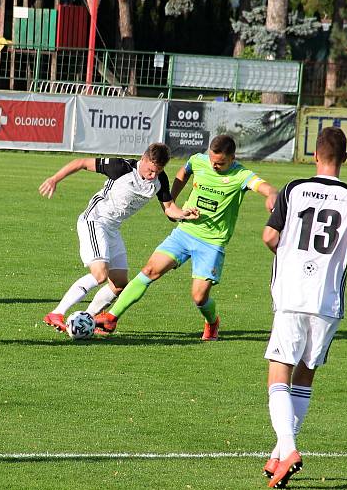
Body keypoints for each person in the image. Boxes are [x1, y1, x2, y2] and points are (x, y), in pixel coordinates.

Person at [260, 127, 347, 488]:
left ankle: (289, 447)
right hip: (328, 300)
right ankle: (280, 452)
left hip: (293, 294)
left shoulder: (294, 188)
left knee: (279, 373)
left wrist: (289, 254)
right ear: (345, 158)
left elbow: (269, 236)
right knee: (306, 374)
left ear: (314, 155)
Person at [94, 135, 277, 339]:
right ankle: (111, 318)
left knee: (199, 297)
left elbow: (267, 188)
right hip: (185, 232)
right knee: (149, 270)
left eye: (220, 163)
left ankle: (212, 321)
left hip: (212, 243)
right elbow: (185, 171)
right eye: (212, 160)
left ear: (232, 158)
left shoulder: (242, 175)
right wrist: (172, 200)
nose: (214, 165)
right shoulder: (198, 160)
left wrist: (271, 196)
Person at [39, 143, 199, 331]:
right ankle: (56, 313)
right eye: (150, 170)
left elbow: (169, 208)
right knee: (100, 274)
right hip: (94, 221)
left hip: (113, 229)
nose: (153, 175)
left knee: (119, 284)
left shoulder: (160, 180)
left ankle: (88, 319)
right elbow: (81, 162)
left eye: (158, 171)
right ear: (144, 159)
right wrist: (55, 179)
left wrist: (183, 214)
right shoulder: (121, 167)